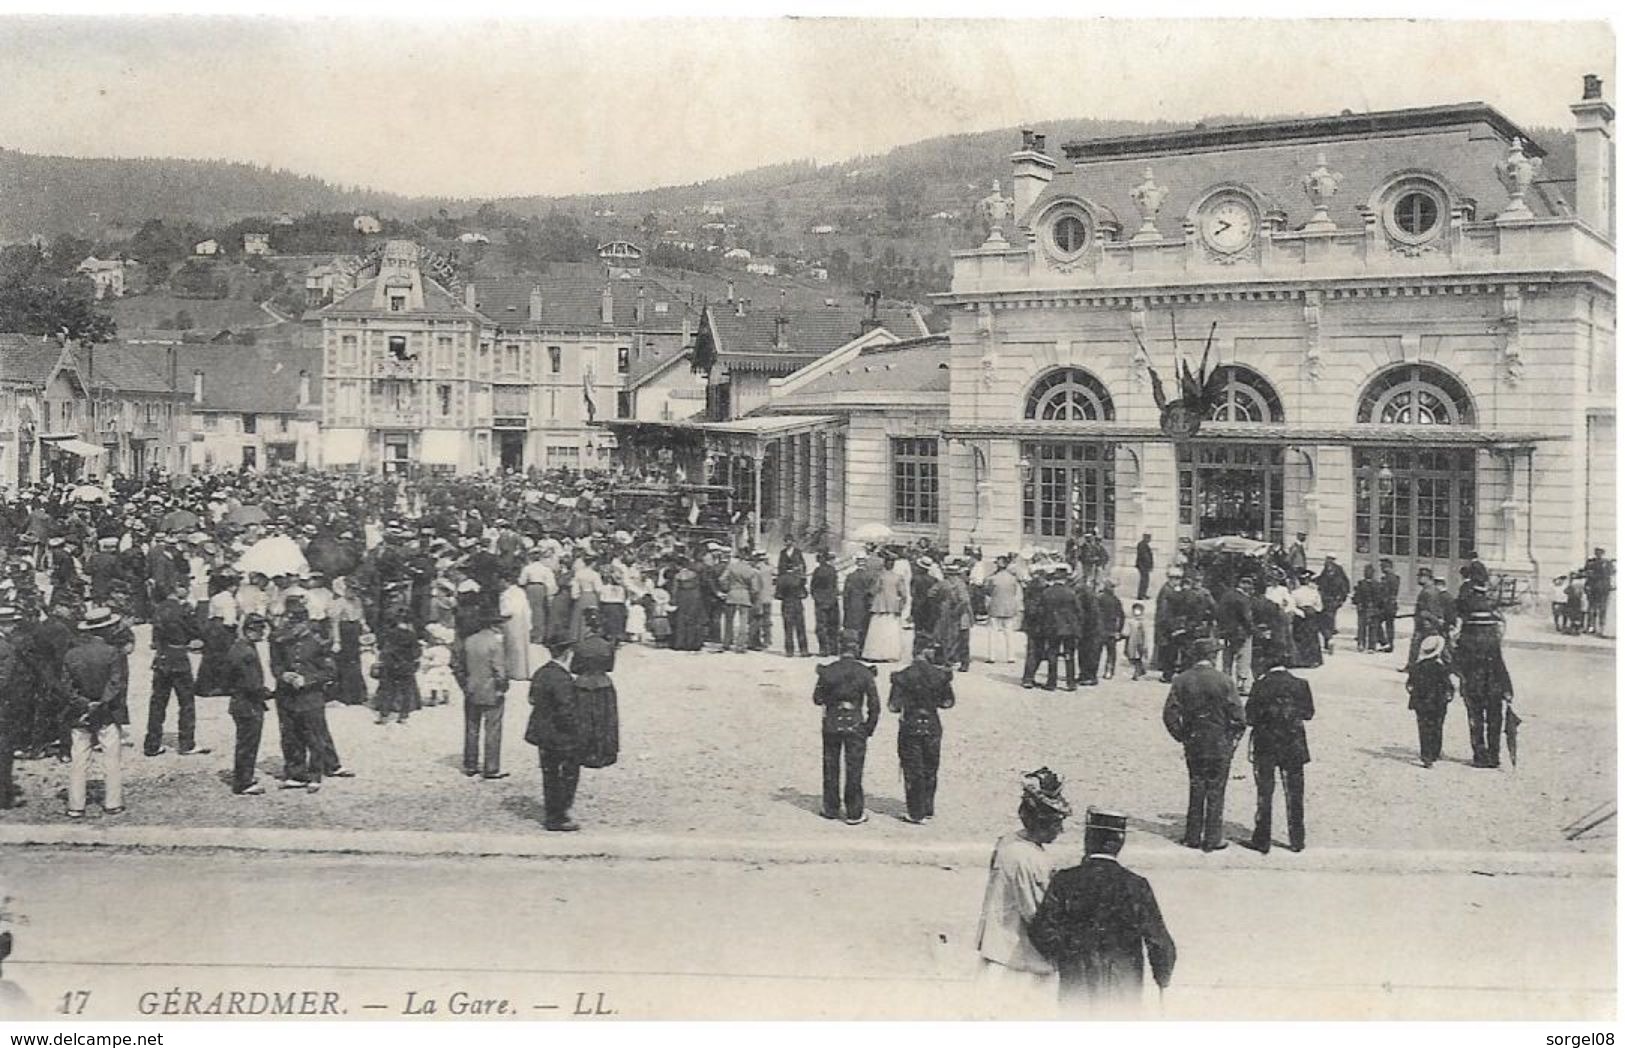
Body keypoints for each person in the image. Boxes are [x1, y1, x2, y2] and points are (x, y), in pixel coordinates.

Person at [1029, 809, 1176, 1017]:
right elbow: (1160, 942)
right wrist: (1163, 977)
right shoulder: (1136, 885)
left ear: (1088, 840)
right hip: (1124, 988)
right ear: (1119, 844)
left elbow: (1041, 930)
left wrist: (1066, 956)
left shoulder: (1065, 880)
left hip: (1076, 985)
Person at [973, 768, 1072, 1018]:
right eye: (1057, 822)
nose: (1060, 830)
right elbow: (1036, 913)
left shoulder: (1007, 841)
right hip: (1020, 961)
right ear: (1042, 822)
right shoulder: (1029, 859)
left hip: (997, 950)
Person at [1162, 637, 1245, 852]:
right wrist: (1232, 739)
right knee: (1216, 789)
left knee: (1196, 786)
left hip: (1194, 741)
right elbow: (1238, 717)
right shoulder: (1225, 681)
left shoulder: (1181, 680)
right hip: (1219, 742)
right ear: (1213, 656)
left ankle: (1193, 835)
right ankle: (1213, 837)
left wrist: (1182, 736)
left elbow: (1169, 714)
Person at [60, 607, 129, 819]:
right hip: (107, 712)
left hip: (80, 713)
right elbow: (117, 683)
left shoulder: (71, 654)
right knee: (111, 758)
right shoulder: (113, 653)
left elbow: (65, 685)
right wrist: (100, 703)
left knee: (79, 759)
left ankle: (76, 805)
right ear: (107, 629)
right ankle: (113, 803)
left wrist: (83, 703)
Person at [271, 592, 340, 792]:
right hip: (286, 695)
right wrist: (283, 675)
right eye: (289, 623)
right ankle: (295, 773)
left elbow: (330, 672)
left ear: (305, 623)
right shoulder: (280, 640)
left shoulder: (317, 642)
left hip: (311, 697)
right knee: (290, 734)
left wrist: (308, 680)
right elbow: (275, 663)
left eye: (296, 624)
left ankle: (315, 774)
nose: (291, 629)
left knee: (314, 735)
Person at [1244, 659, 1314, 853]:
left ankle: (1262, 839)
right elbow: (1309, 713)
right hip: (1293, 745)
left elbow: (1249, 716)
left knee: (1265, 793)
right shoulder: (1301, 684)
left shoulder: (1260, 685)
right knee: (1295, 793)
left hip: (1265, 744)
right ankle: (1297, 840)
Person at [812, 630, 880, 824]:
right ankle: (854, 811)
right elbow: (874, 704)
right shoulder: (864, 672)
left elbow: (817, 699)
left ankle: (831, 808)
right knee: (854, 768)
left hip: (832, 722)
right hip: (855, 723)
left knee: (830, 766)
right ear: (856, 647)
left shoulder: (828, 670)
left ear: (840, 647)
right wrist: (869, 727)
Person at [887, 643, 955, 824]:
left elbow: (893, 706)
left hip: (910, 724)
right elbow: (948, 702)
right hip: (932, 724)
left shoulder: (902, 676)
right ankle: (928, 807)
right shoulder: (940, 676)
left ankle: (915, 812)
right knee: (930, 767)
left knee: (912, 768)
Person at [526, 636, 582, 831]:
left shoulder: (541, 672)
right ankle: (560, 814)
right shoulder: (563, 679)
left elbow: (531, 699)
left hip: (542, 733)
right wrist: (577, 729)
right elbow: (565, 710)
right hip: (561, 734)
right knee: (567, 773)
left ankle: (553, 813)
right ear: (568, 653)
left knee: (549, 774)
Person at [144, 584, 207, 757]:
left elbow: (154, 640)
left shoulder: (157, 610)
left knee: (157, 703)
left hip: (161, 658)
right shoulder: (183, 609)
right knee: (186, 702)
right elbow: (197, 631)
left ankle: (152, 744)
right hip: (179, 659)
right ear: (177, 590)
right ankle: (186, 744)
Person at [1455, 580, 1513, 769]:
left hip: (1473, 686)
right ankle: (1494, 756)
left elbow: (1457, 665)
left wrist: (1462, 680)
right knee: (1495, 721)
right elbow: (1500, 664)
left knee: (1476, 720)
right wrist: (1508, 688)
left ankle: (1479, 755)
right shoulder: (1492, 640)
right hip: (1494, 687)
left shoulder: (1465, 640)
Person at [222, 613, 274, 796]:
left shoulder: (237, 647)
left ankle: (243, 778)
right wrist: (267, 693)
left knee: (244, 742)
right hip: (248, 704)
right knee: (248, 744)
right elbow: (251, 683)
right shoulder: (247, 652)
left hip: (239, 702)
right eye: (260, 630)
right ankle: (243, 782)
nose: (263, 634)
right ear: (251, 630)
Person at [456, 610, 509, 780]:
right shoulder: (495, 643)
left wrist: (465, 685)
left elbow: (459, 667)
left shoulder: (469, 641)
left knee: (472, 728)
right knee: (492, 728)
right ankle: (491, 767)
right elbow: (499, 670)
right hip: (491, 689)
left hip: (471, 689)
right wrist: (503, 687)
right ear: (494, 625)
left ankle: (470, 764)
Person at [572, 608, 619, 770]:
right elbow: (610, 667)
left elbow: (575, 667)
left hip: (583, 684)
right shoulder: (608, 646)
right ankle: (604, 752)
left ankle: (585, 752)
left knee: (585, 719)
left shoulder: (580, 646)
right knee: (603, 719)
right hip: (602, 683)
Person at [1405, 635, 1453, 768]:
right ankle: (1435, 751)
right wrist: (1449, 695)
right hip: (1438, 702)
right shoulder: (1441, 668)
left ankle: (1426, 756)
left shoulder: (1416, 667)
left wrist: (1415, 693)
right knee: (1437, 726)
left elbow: (1409, 685)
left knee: (1423, 728)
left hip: (1421, 703)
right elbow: (1447, 685)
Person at [1039, 565, 1082, 691]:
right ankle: (1071, 682)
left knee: (1052, 653)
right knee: (1069, 654)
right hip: (1069, 628)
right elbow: (1078, 611)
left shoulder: (1047, 592)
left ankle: (1051, 682)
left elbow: (1042, 610)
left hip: (1052, 627)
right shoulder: (1071, 593)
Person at [862, 552, 907, 662]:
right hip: (892, 608)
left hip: (879, 607)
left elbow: (872, 591)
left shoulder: (880, 576)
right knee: (890, 632)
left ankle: (874, 655)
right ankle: (889, 654)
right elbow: (903, 595)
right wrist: (900, 607)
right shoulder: (898, 577)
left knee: (877, 631)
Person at [1215, 576, 1255, 696]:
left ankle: (1225, 684)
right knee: (1243, 658)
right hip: (1241, 633)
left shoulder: (1226, 596)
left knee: (1227, 658)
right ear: (1244, 585)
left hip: (1227, 632)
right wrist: (1254, 630)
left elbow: (1218, 613)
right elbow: (1246, 618)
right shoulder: (1243, 599)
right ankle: (1241, 685)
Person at [986, 556, 1022, 665]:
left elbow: (988, 592)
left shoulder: (992, 578)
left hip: (996, 606)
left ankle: (992, 656)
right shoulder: (1013, 579)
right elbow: (1015, 592)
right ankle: (1010, 656)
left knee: (993, 632)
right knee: (1009, 633)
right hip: (1009, 607)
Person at [721, 549, 756, 653]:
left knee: (729, 620)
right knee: (743, 622)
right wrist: (751, 593)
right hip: (744, 594)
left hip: (732, 593)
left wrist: (727, 587)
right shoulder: (750, 569)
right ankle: (740, 645)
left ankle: (726, 643)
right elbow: (754, 587)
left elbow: (722, 579)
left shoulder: (731, 567)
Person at [777, 546, 810, 658]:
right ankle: (803, 650)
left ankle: (789, 650)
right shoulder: (799, 578)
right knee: (801, 627)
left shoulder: (781, 579)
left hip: (786, 604)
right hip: (797, 604)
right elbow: (804, 594)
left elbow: (778, 595)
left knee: (788, 628)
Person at [810, 552, 841, 657]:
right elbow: (834, 586)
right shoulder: (832, 570)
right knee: (833, 625)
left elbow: (813, 587)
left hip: (820, 602)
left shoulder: (817, 571)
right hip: (832, 601)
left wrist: (816, 598)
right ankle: (834, 648)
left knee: (821, 626)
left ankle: (824, 649)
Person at [1352, 564, 1382, 652]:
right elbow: (1357, 596)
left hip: (1373, 608)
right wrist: (1358, 602)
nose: (1367, 573)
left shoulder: (1377, 584)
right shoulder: (1361, 583)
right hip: (1364, 608)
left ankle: (1371, 646)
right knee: (1362, 627)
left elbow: (1380, 597)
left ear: (1372, 573)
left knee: (1372, 627)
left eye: (1369, 572)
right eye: (1366, 571)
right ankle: (1361, 644)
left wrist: (1377, 607)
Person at [1584, 547, 1613, 635]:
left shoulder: (1607, 563)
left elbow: (1609, 574)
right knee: (1591, 608)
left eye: (1600, 552)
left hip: (1603, 589)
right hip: (1592, 588)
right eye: (1596, 552)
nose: (1598, 554)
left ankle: (1601, 628)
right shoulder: (1590, 562)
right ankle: (1591, 627)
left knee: (1602, 609)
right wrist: (1587, 586)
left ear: (1603, 553)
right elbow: (1587, 574)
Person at [1377, 559, 1400, 652]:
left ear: (1387, 566)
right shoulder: (1393, 577)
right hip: (1391, 604)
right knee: (1389, 625)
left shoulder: (1389, 578)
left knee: (1376, 622)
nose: (1381, 568)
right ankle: (1389, 644)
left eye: (1382, 566)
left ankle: (1385, 643)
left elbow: (1385, 593)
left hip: (1387, 605)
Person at [1123, 603, 1149, 681]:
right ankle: (1141, 670)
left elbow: (1145, 633)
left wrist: (1146, 644)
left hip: (1140, 642)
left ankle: (1137, 673)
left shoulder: (1143, 622)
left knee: (1138, 658)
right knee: (1132, 658)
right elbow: (1126, 632)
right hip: (1131, 642)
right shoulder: (1130, 621)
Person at [1134, 533, 1154, 601]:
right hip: (1143, 565)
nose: (1150, 540)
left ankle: (1143, 594)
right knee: (1144, 580)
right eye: (1149, 538)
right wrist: (1149, 565)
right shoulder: (1142, 545)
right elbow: (1145, 556)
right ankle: (1141, 595)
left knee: (1145, 580)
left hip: (1144, 565)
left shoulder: (1144, 545)